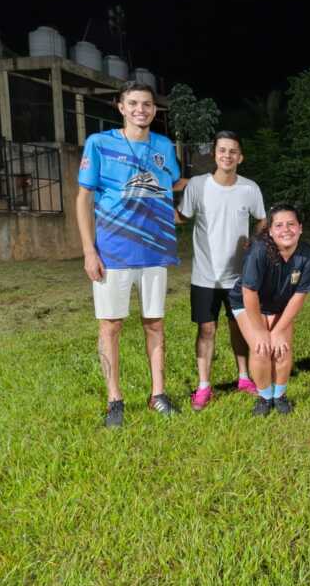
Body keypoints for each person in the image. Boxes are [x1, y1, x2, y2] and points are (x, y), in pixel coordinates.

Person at [76, 81, 181, 428]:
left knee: (155, 323)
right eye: (133, 103)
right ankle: (115, 400)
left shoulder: (164, 146)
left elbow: (174, 183)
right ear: (121, 107)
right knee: (111, 326)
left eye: (147, 104)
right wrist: (89, 251)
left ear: (154, 110)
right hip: (113, 253)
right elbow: (83, 198)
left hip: (154, 252)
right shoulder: (100, 144)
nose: (141, 109)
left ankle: (158, 395)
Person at [176, 131, 266, 410]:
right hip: (204, 275)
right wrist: (148, 206)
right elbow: (181, 217)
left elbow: (263, 219)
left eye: (232, 151)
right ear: (214, 154)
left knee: (239, 327)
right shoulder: (198, 186)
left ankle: (244, 378)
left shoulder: (249, 188)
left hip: (239, 275)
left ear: (240, 157)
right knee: (206, 329)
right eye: (222, 150)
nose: (227, 155)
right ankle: (204, 386)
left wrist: (253, 242)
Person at [228, 204, 310, 416]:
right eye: (279, 225)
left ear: (300, 228)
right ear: (270, 230)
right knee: (261, 348)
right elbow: (249, 293)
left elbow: (298, 297)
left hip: (280, 305)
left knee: (282, 348)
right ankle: (264, 397)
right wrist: (261, 331)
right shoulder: (259, 251)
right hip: (248, 303)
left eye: (291, 224)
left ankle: (279, 395)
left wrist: (277, 331)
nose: (286, 229)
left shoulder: (308, 255)